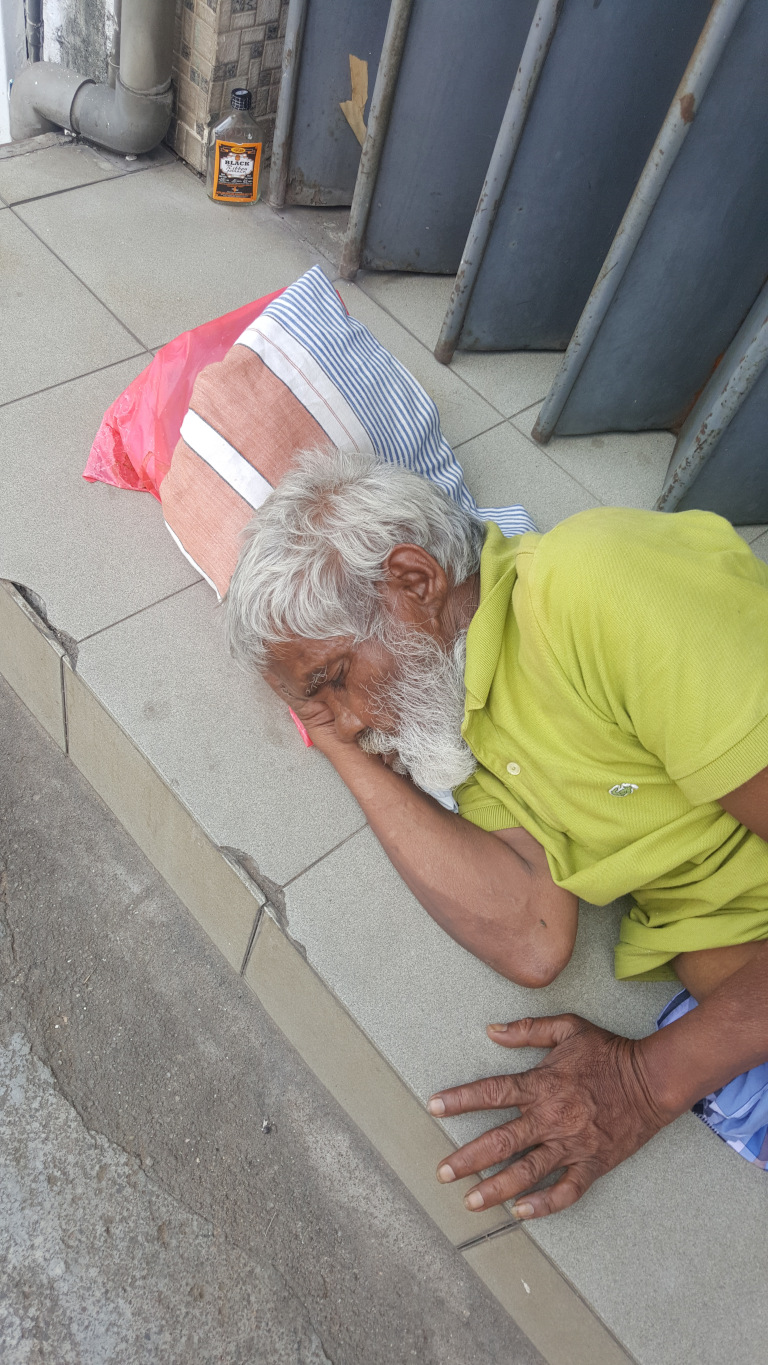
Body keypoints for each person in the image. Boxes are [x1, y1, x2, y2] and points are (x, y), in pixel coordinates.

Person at [226, 447, 768, 1220]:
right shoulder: (460, 710)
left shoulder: (596, 586)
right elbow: (531, 935)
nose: (347, 719)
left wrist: (647, 1082)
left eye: (334, 679)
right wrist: (341, 739)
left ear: (415, 580)